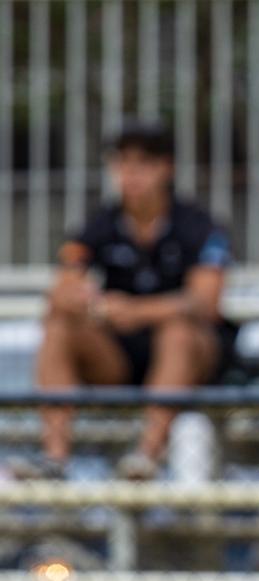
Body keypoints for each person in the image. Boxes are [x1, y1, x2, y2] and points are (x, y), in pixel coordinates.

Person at [16, 121, 234, 481]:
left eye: (143, 164)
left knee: (178, 332)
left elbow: (205, 303)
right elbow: (63, 288)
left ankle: (146, 458)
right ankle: (54, 459)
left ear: (166, 168)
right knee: (58, 325)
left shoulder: (199, 225)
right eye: (121, 163)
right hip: (117, 359)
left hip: (192, 362)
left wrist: (135, 312)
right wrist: (89, 303)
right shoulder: (100, 223)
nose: (130, 175)